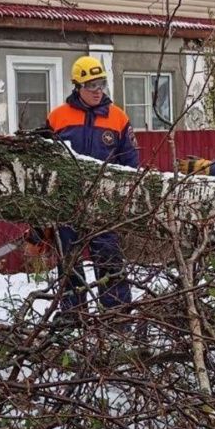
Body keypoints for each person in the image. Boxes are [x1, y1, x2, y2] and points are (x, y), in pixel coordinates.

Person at [45, 55, 140, 315]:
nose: (98, 91)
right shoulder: (57, 118)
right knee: (70, 262)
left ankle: (117, 315)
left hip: (105, 204)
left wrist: (124, 199)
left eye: (101, 84)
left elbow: (130, 163)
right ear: (78, 86)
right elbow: (45, 161)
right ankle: (74, 314)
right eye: (92, 86)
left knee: (109, 259)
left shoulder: (117, 118)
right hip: (68, 203)